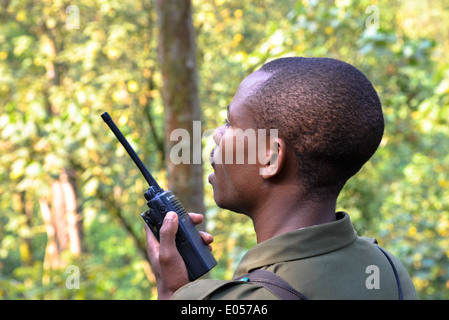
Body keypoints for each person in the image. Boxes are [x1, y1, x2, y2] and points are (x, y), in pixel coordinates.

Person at [145, 57, 418, 300]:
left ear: (272, 158)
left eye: (230, 123)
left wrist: (172, 292)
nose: (217, 134)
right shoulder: (388, 270)